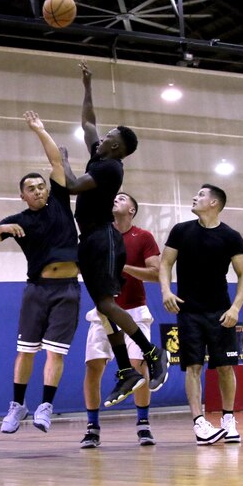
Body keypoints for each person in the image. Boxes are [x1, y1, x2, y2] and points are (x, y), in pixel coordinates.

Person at [60, 60, 169, 407]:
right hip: (89, 238)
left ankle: (151, 353)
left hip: (103, 238)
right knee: (103, 308)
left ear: (117, 148)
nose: (102, 137)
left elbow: (74, 185)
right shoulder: (99, 154)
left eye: (109, 138)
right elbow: (88, 122)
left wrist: (59, 159)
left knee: (107, 303)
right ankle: (125, 369)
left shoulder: (109, 168)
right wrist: (87, 85)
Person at [0, 111, 81, 434]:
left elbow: (56, 163)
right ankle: (17, 404)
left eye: (40, 186)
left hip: (68, 290)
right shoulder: (19, 219)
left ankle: (45, 405)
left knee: (55, 352)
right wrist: (2, 227)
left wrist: (40, 129)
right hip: (37, 289)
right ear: (22, 196)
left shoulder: (60, 202)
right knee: (25, 352)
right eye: (30, 188)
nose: (37, 190)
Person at [159, 184, 243, 445]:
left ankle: (228, 419)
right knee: (193, 367)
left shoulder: (231, 236)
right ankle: (199, 423)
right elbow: (165, 263)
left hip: (220, 311)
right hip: (188, 311)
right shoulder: (181, 231)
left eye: (200, 195)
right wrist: (166, 291)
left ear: (214, 203)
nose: (195, 197)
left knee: (224, 367)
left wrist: (235, 308)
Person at [81, 192, 161, 448]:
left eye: (122, 198)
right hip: (103, 311)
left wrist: (123, 265)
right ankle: (92, 428)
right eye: (113, 197)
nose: (115, 199)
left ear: (132, 210)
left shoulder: (143, 237)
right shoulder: (99, 235)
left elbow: (155, 273)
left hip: (135, 311)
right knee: (93, 367)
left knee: (138, 366)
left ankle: (143, 424)